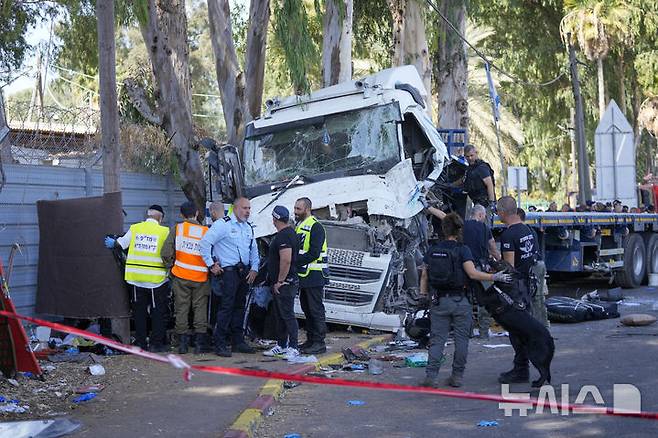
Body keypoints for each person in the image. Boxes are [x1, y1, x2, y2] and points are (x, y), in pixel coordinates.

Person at [419, 213, 512, 388]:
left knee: (437, 340)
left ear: (443, 230)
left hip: (439, 301)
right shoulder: (463, 250)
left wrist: (423, 296)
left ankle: (431, 377)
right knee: (462, 340)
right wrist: (494, 277)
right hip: (460, 301)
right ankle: (457, 376)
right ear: (459, 230)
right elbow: (472, 273)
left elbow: (424, 275)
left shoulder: (432, 250)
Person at [104, 205, 170, 352]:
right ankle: (156, 344)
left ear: (147, 216)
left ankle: (141, 344)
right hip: (156, 280)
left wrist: (111, 242)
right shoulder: (165, 231)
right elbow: (168, 253)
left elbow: (120, 244)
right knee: (157, 312)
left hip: (135, 278)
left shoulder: (135, 228)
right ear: (161, 218)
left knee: (139, 314)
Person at [200, 197, 260, 357]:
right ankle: (220, 343)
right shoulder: (223, 225)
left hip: (244, 273)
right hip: (228, 272)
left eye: (249, 208)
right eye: (244, 208)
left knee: (240, 307)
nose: (247, 211)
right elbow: (205, 243)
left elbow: (253, 249)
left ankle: (237, 341)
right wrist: (211, 265)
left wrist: (255, 267)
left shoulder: (248, 227)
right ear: (235, 208)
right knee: (226, 307)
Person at [496, 196, 542, 384]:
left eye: (498, 211)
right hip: (528, 283)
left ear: (503, 212)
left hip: (517, 287)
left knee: (517, 329)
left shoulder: (509, 235)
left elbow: (509, 267)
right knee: (525, 327)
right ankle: (523, 366)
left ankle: (521, 369)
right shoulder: (528, 230)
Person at [161, 201, 210, 355]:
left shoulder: (177, 229)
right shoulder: (206, 231)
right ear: (197, 213)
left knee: (181, 309)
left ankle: (182, 345)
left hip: (180, 276)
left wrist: (171, 268)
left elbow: (165, 252)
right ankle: (199, 345)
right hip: (201, 277)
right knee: (200, 309)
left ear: (181, 215)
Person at [262, 206, 300, 359]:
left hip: (285, 283)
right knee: (280, 315)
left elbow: (286, 260)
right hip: (285, 282)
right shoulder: (289, 233)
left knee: (287, 315)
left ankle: (293, 347)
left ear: (275, 219)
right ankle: (282, 345)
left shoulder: (284, 236)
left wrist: (280, 281)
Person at [294, 197, 329, 355]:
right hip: (304, 275)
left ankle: (319, 342)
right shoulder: (300, 225)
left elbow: (314, 252)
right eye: (295, 208)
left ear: (307, 209)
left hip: (315, 275)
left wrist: (294, 261)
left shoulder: (316, 226)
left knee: (315, 310)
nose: (295, 212)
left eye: (298, 209)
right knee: (306, 309)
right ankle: (311, 340)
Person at [518, 208, 549, 328]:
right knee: (539, 297)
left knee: (534, 298)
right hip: (539, 264)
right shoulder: (531, 230)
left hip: (534, 266)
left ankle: (537, 326)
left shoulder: (521, 231)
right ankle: (543, 325)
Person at [462, 145, 496, 209]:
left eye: (471, 155)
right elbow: (464, 179)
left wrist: (492, 203)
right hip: (477, 202)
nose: (470, 158)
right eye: (467, 156)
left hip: (485, 203)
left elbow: (490, 185)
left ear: (476, 153)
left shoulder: (481, 167)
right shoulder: (470, 168)